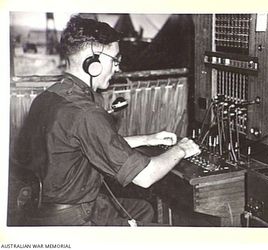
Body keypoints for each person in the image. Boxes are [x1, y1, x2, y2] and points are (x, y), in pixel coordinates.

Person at [14, 15, 200, 226]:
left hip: (43, 209)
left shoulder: (49, 97)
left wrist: (148, 139)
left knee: (143, 209)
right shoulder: (86, 113)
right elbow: (146, 176)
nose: (117, 68)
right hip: (74, 218)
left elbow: (90, 143)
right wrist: (181, 149)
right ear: (93, 63)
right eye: (114, 60)